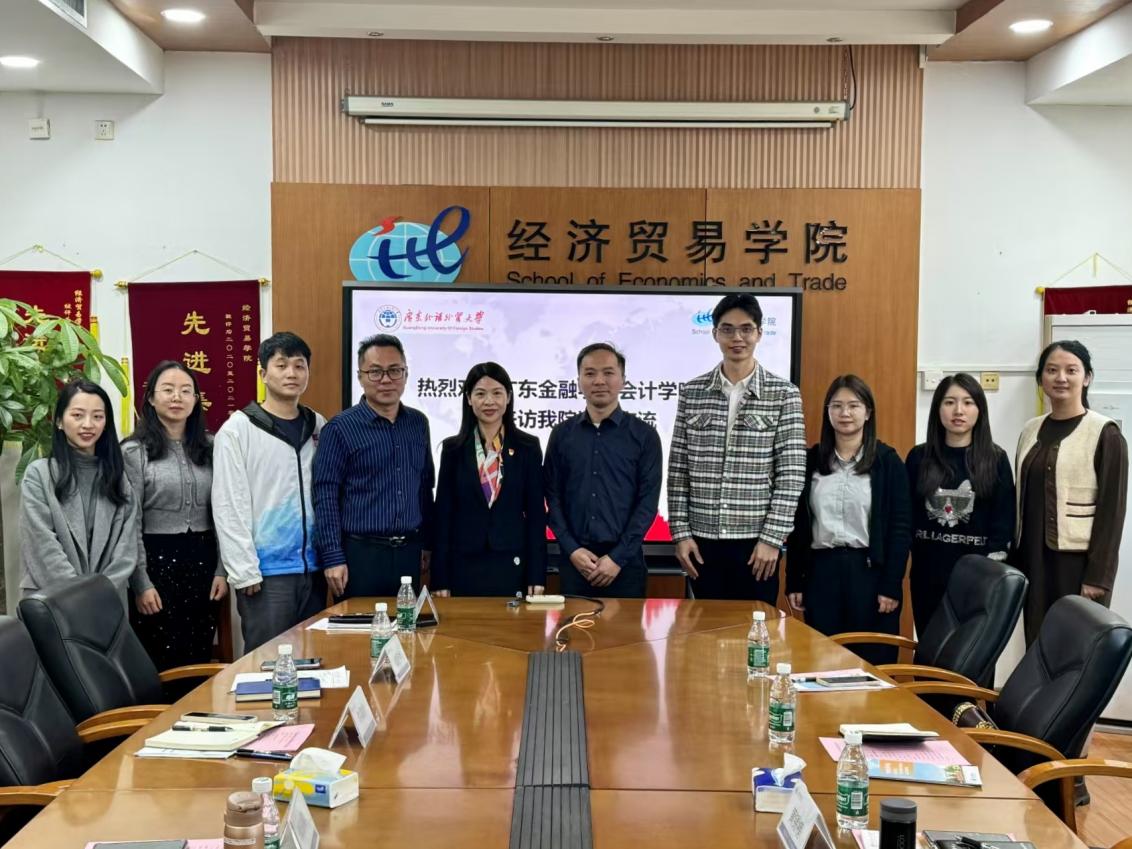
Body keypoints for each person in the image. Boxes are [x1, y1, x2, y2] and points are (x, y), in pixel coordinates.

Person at [668, 293, 805, 602]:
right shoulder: (693, 392)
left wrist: (772, 538)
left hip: (756, 544)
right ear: (715, 333)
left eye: (746, 329)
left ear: (759, 333)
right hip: (702, 541)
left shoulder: (783, 394)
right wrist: (681, 533)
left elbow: (792, 474)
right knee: (706, 626)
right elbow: (678, 470)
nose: (737, 338)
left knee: (757, 625)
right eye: (727, 329)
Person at [786, 375, 911, 665]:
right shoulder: (811, 461)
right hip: (822, 573)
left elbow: (900, 529)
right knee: (822, 662)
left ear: (868, 412)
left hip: (870, 574)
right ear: (827, 412)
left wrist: (891, 584)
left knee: (873, 663)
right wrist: (794, 579)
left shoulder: (887, 462)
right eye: (837, 405)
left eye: (854, 405)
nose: (845, 413)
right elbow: (799, 526)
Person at [212, 332, 326, 651]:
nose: (292, 373)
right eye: (281, 365)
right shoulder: (238, 430)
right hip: (265, 574)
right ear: (263, 374)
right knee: (267, 663)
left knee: (313, 659)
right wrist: (244, 570)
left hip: (314, 569)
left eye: (299, 366)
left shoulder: (318, 425)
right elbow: (228, 504)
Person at [1015, 340, 1127, 646]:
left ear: (1087, 377)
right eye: (1052, 370)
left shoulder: (1105, 433)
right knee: (1037, 645)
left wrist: (1098, 577)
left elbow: (1112, 512)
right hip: (1033, 560)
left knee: (1075, 648)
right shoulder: (1030, 430)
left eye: (1071, 370)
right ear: (1041, 379)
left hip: (1076, 566)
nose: (1061, 378)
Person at [122, 360, 228, 670]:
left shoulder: (212, 447)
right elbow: (130, 523)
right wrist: (140, 582)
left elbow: (225, 513)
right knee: (159, 658)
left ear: (196, 399)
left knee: (198, 654)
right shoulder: (134, 451)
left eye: (185, 390)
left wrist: (222, 570)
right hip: (156, 563)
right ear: (151, 398)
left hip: (204, 563)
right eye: (167, 390)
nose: (177, 397)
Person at [312, 334, 434, 599]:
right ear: (360, 376)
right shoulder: (340, 428)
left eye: (395, 370)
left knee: (406, 623)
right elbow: (325, 496)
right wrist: (332, 556)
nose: (386, 380)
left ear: (406, 374)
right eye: (375, 372)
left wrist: (426, 543)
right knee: (359, 625)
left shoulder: (418, 423)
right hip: (360, 556)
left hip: (408, 553)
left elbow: (424, 487)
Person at [544, 343, 663, 598]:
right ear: (579, 381)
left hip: (625, 565)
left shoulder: (644, 436)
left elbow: (647, 503)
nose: (599, 381)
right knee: (574, 626)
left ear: (623, 380)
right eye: (590, 373)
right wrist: (572, 550)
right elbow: (552, 498)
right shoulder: (562, 435)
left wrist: (617, 558)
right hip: (575, 564)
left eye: (608, 373)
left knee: (627, 627)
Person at [905, 373, 1015, 634]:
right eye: (949, 402)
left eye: (968, 402)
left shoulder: (996, 459)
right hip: (927, 578)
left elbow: (1003, 524)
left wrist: (990, 576)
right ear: (937, 409)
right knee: (929, 651)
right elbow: (906, 519)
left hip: (977, 581)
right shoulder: (919, 457)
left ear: (980, 410)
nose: (958, 410)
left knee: (971, 653)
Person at [432, 362, 546, 597]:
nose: (489, 401)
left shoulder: (528, 447)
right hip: (464, 563)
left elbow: (536, 515)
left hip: (511, 562)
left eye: (497, 393)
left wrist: (537, 574)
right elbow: (443, 515)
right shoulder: (453, 449)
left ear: (509, 397)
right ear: (468, 398)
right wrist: (440, 578)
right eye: (480, 394)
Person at [20, 379, 137, 599]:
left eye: (98, 416)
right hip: (54, 599)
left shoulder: (117, 478)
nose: (88, 424)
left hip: (107, 599)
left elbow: (126, 549)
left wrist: (100, 591)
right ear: (59, 421)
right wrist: (82, 596)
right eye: (77, 415)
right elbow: (42, 546)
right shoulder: (39, 474)